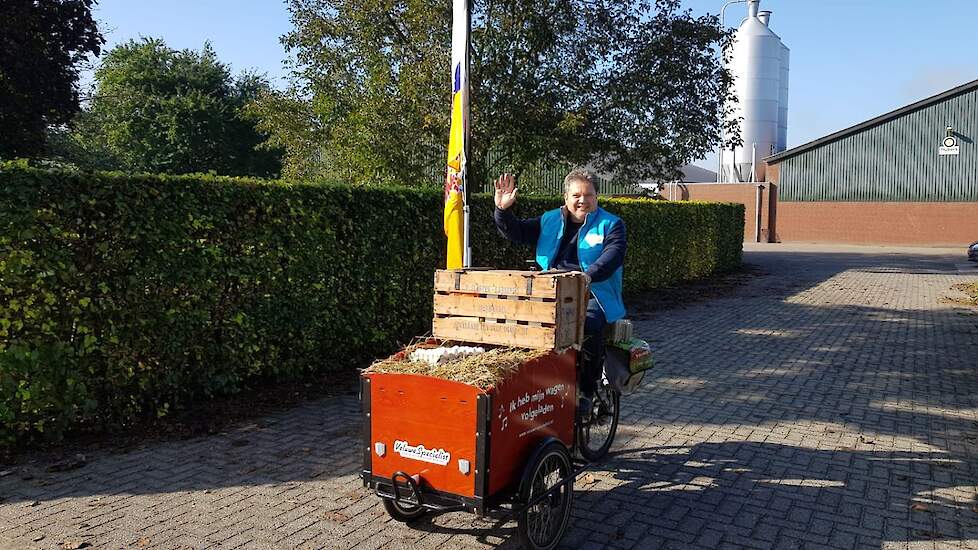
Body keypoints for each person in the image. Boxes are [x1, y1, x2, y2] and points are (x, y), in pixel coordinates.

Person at [493, 169, 627, 416]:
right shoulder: (550, 219)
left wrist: (589, 275)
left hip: (593, 292)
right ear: (566, 197)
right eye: (576, 194)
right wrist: (503, 211)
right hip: (551, 288)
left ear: (597, 197)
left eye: (588, 194)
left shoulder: (612, 224)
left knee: (585, 324)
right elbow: (517, 232)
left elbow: (614, 254)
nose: (582, 200)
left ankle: (587, 389)